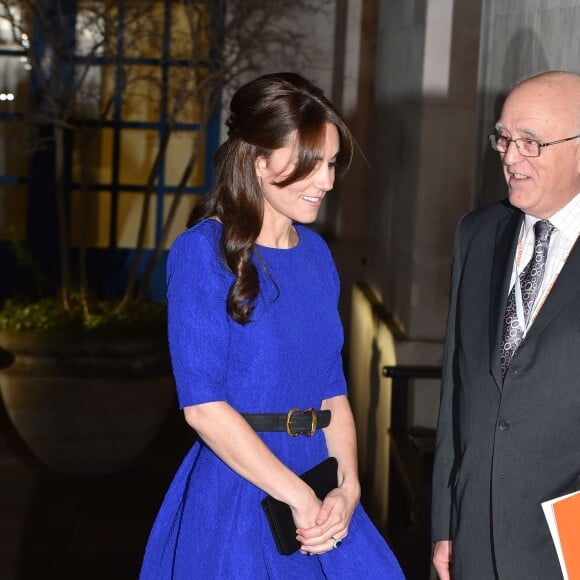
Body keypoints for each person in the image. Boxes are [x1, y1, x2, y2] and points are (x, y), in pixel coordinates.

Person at [140, 72, 404, 579]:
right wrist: (298, 497)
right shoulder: (202, 254)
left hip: (319, 485)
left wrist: (348, 486)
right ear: (258, 162)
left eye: (330, 164)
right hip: (241, 489)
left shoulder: (318, 256)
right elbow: (202, 408)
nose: (326, 181)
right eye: (310, 165)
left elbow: (332, 389)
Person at [431, 70, 580, 580]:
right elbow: (457, 389)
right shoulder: (476, 233)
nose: (510, 157)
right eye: (505, 138)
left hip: (567, 552)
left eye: (531, 142)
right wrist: (445, 523)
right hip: (472, 540)